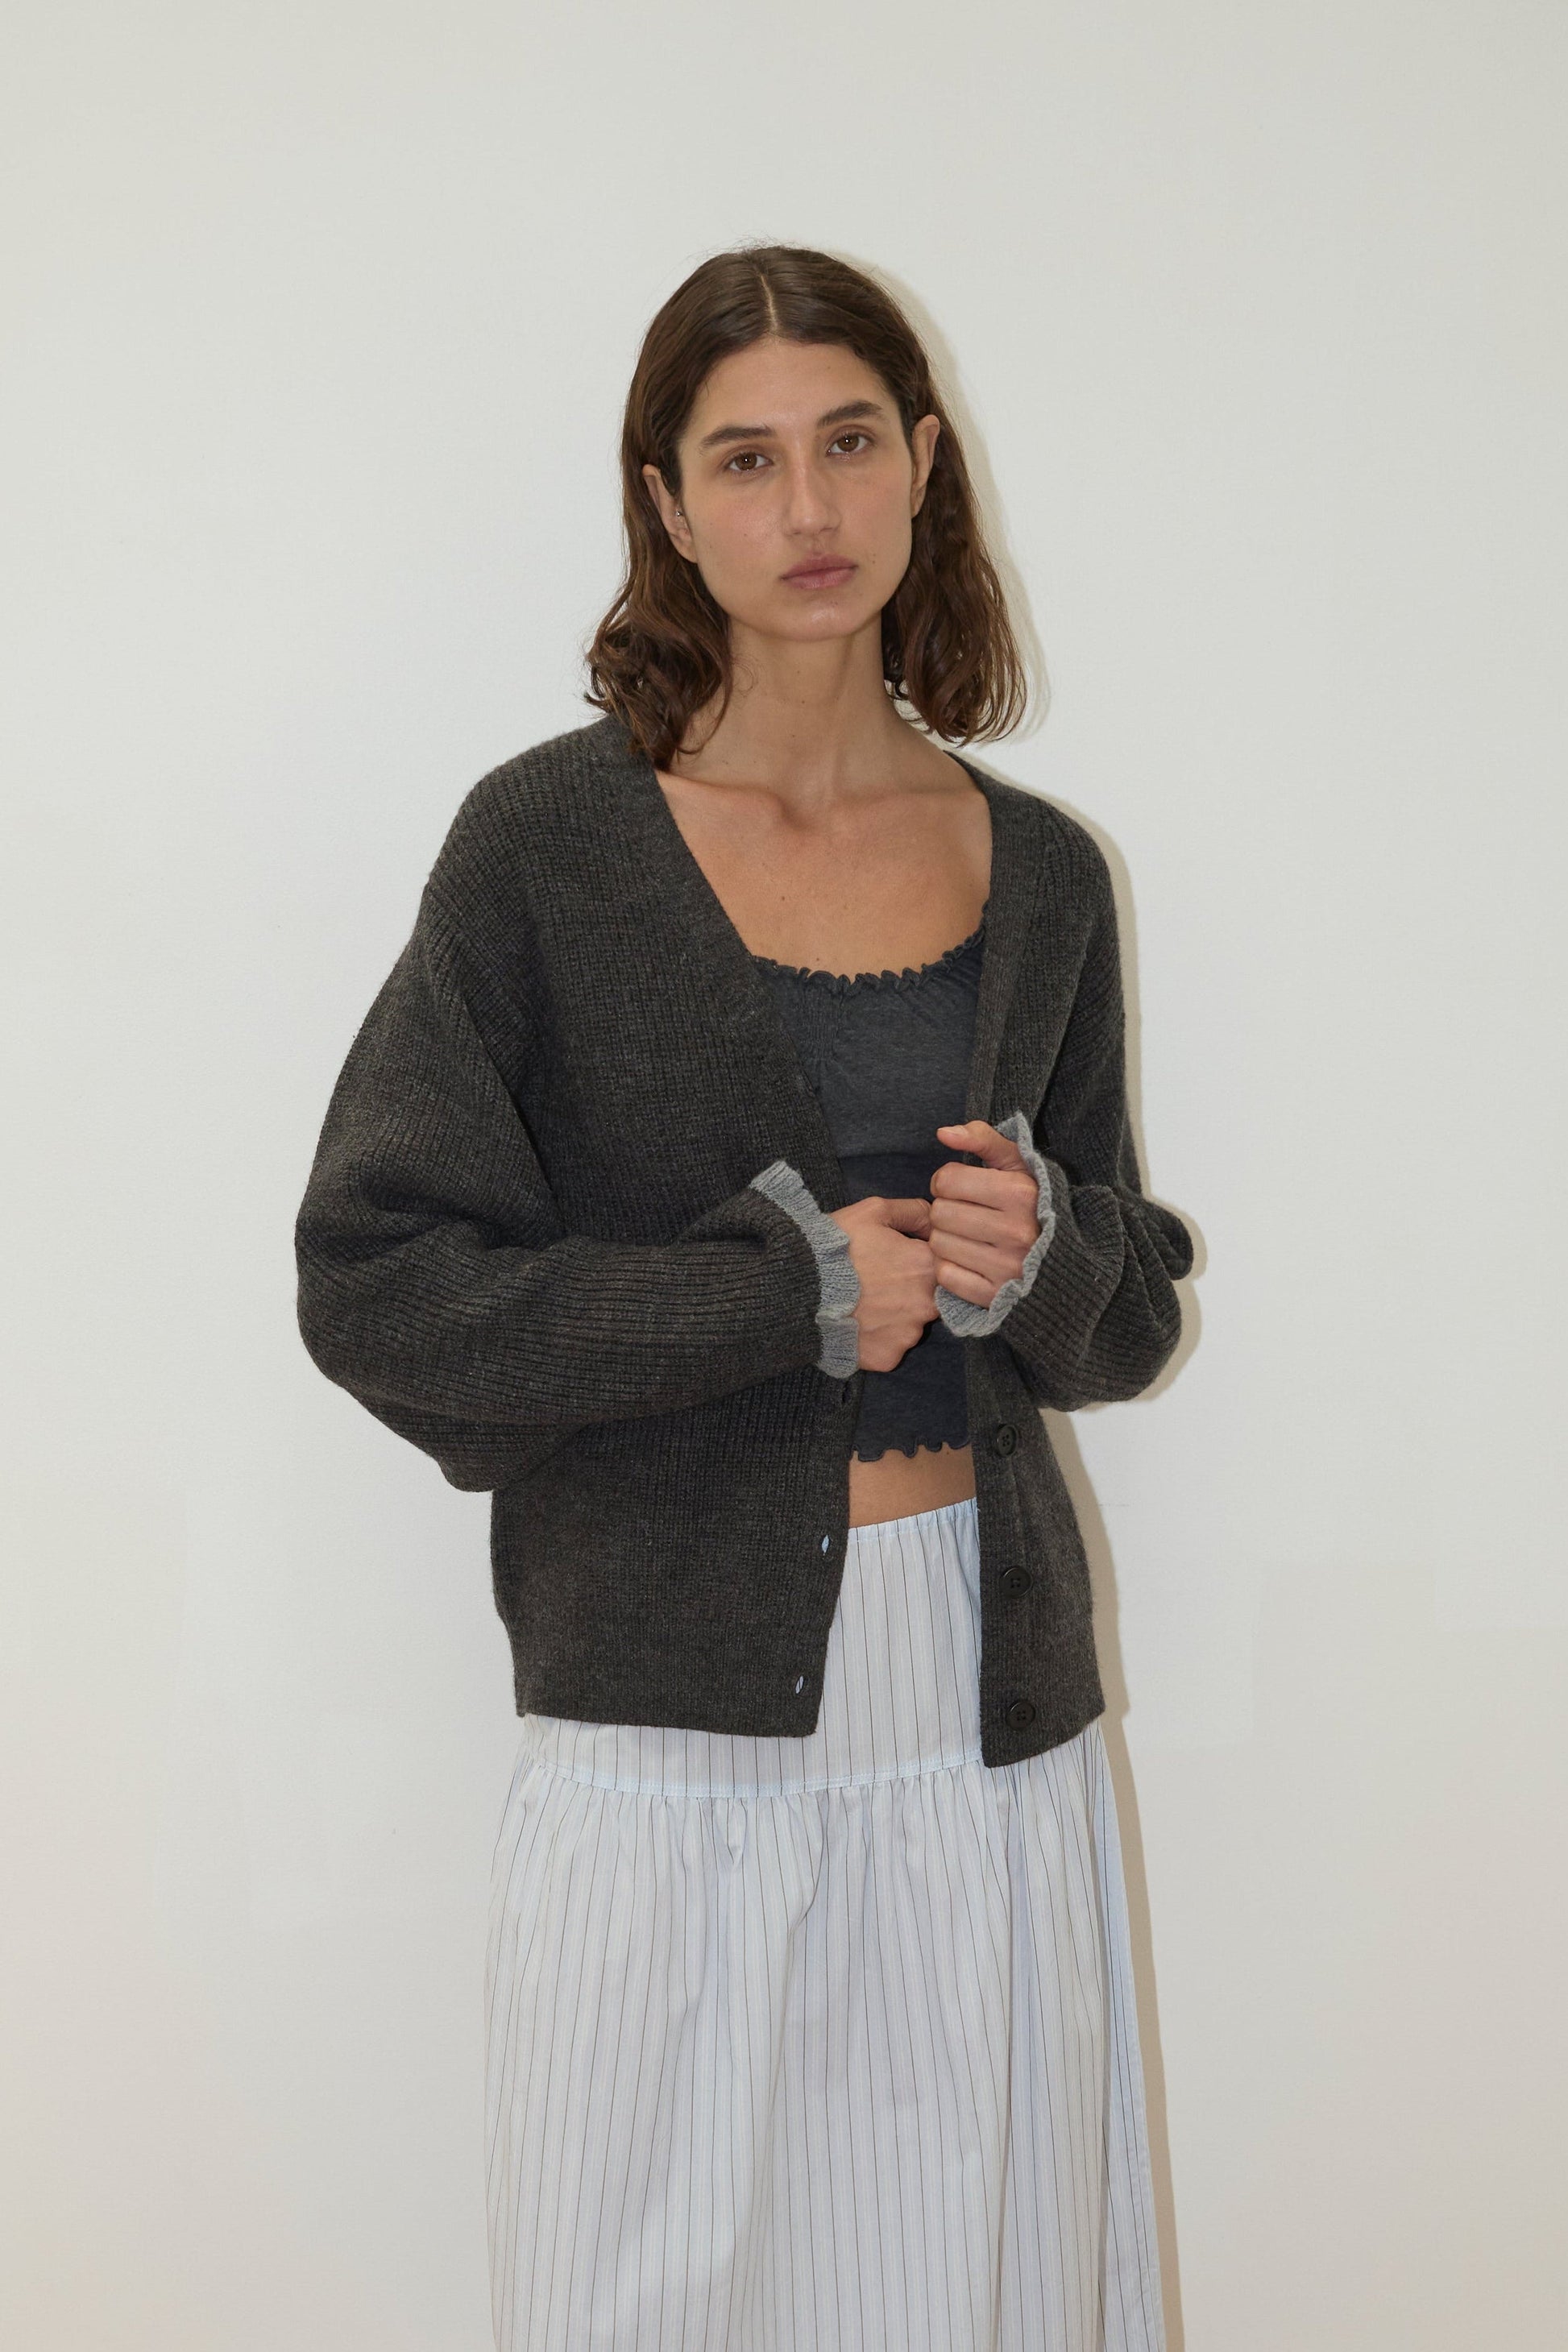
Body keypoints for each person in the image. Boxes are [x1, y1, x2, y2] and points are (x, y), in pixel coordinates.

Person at [295, 243, 1196, 2352]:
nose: (809, 508)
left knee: (976, 2292)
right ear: (667, 502)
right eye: (746, 458)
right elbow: (381, 1285)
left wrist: (1045, 1257)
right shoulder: (547, 850)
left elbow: (1132, 1307)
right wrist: (769, 1300)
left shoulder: (1040, 870)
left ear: (924, 464)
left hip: (985, 1722)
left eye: (851, 442)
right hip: (660, 1734)